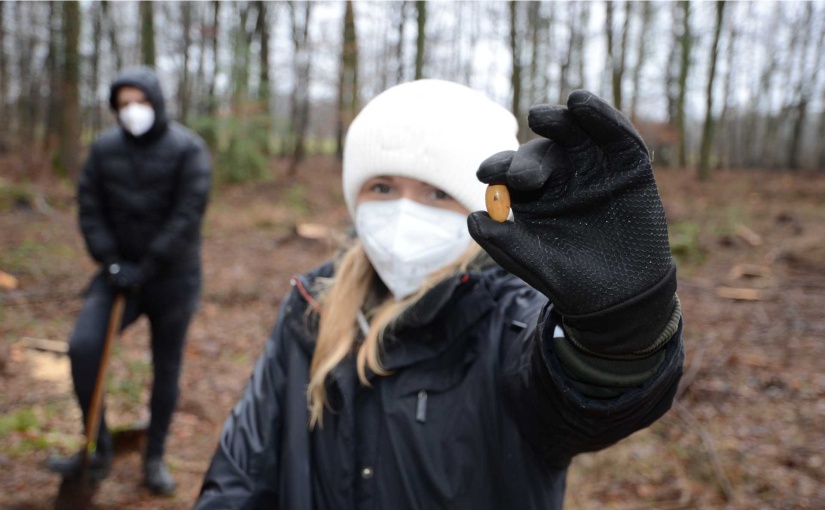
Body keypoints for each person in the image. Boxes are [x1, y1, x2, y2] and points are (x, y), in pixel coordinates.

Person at [193, 79, 683, 509]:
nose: (405, 212)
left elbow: (578, 401)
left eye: (436, 194)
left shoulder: (510, 316)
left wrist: (620, 328)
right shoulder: (311, 306)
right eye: (383, 187)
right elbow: (242, 473)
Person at [46, 66, 212, 496]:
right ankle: (96, 447)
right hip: (116, 275)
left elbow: (188, 213)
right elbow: (90, 207)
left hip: (173, 278)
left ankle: (154, 456)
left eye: (140, 101)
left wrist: (151, 263)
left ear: (156, 102)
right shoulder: (102, 150)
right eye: (123, 104)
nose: (132, 110)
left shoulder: (188, 149)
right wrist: (112, 262)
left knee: (166, 365)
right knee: (83, 347)